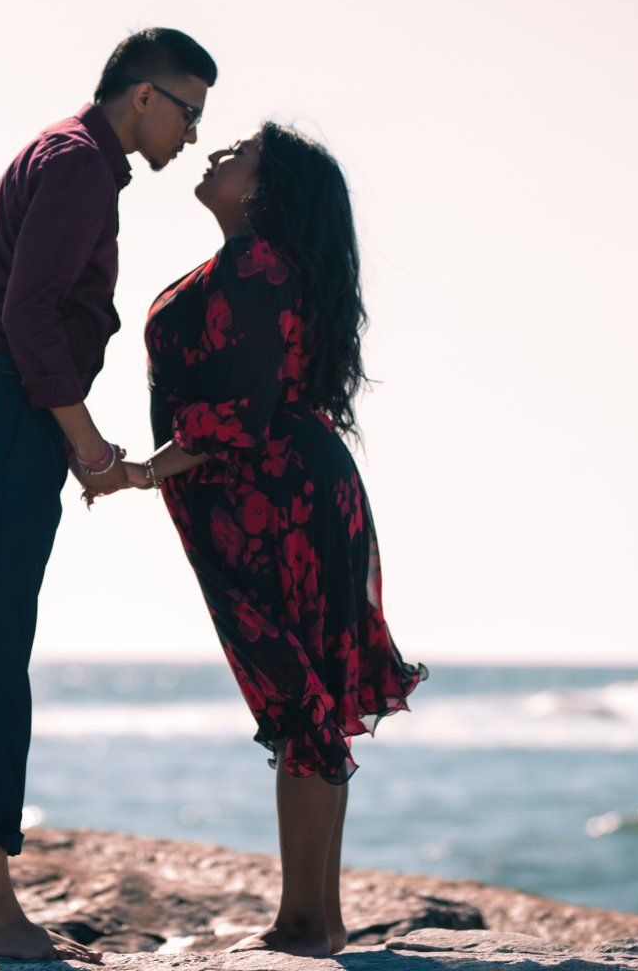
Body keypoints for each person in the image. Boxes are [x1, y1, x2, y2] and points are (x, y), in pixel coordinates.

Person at [0, 27, 216, 961]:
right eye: (188, 110)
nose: (192, 134)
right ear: (143, 96)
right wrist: (85, 443)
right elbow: (32, 312)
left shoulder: (71, 154)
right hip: (3, 402)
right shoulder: (85, 161)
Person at [115, 121, 427, 956]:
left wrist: (141, 473)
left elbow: (233, 414)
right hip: (280, 488)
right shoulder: (257, 268)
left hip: (268, 495)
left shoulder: (257, 267)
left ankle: (301, 924)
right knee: (308, 695)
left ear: (267, 187)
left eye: (241, 152)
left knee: (298, 697)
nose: (218, 152)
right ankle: (319, 918)